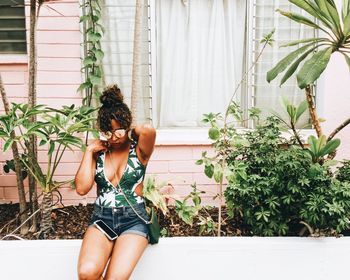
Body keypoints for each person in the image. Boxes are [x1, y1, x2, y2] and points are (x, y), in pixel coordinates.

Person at [75, 85, 156, 280]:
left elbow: (147, 130)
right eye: (107, 132)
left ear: (127, 125)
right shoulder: (99, 152)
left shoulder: (140, 151)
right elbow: (81, 188)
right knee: (87, 273)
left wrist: (127, 130)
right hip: (102, 219)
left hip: (133, 221)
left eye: (118, 130)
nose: (114, 137)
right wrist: (89, 152)